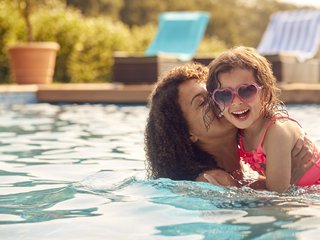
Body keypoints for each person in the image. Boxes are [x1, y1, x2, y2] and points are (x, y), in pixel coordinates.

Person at [145, 62, 315, 189]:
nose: (223, 102)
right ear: (187, 133)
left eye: (219, 93)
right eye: (202, 102)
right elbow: (279, 208)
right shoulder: (214, 180)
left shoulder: (258, 151)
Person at [206, 46, 319, 193]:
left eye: (246, 91)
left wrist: (236, 187)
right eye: (224, 95)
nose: (236, 102)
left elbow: (278, 196)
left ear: (265, 93)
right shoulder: (238, 133)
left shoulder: (277, 132)